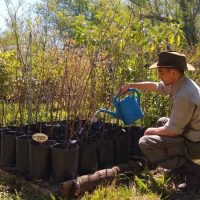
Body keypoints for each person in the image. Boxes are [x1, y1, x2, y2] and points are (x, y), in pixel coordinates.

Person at [118, 51, 200, 186]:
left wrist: (149, 131)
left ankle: (188, 170)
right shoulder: (181, 83)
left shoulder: (184, 94)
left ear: (173, 72)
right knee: (162, 121)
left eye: (161, 72)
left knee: (146, 142)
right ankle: (177, 164)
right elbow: (156, 86)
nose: (159, 76)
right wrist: (130, 85)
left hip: (196, 144)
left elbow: (173, 131)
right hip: (193, 134)